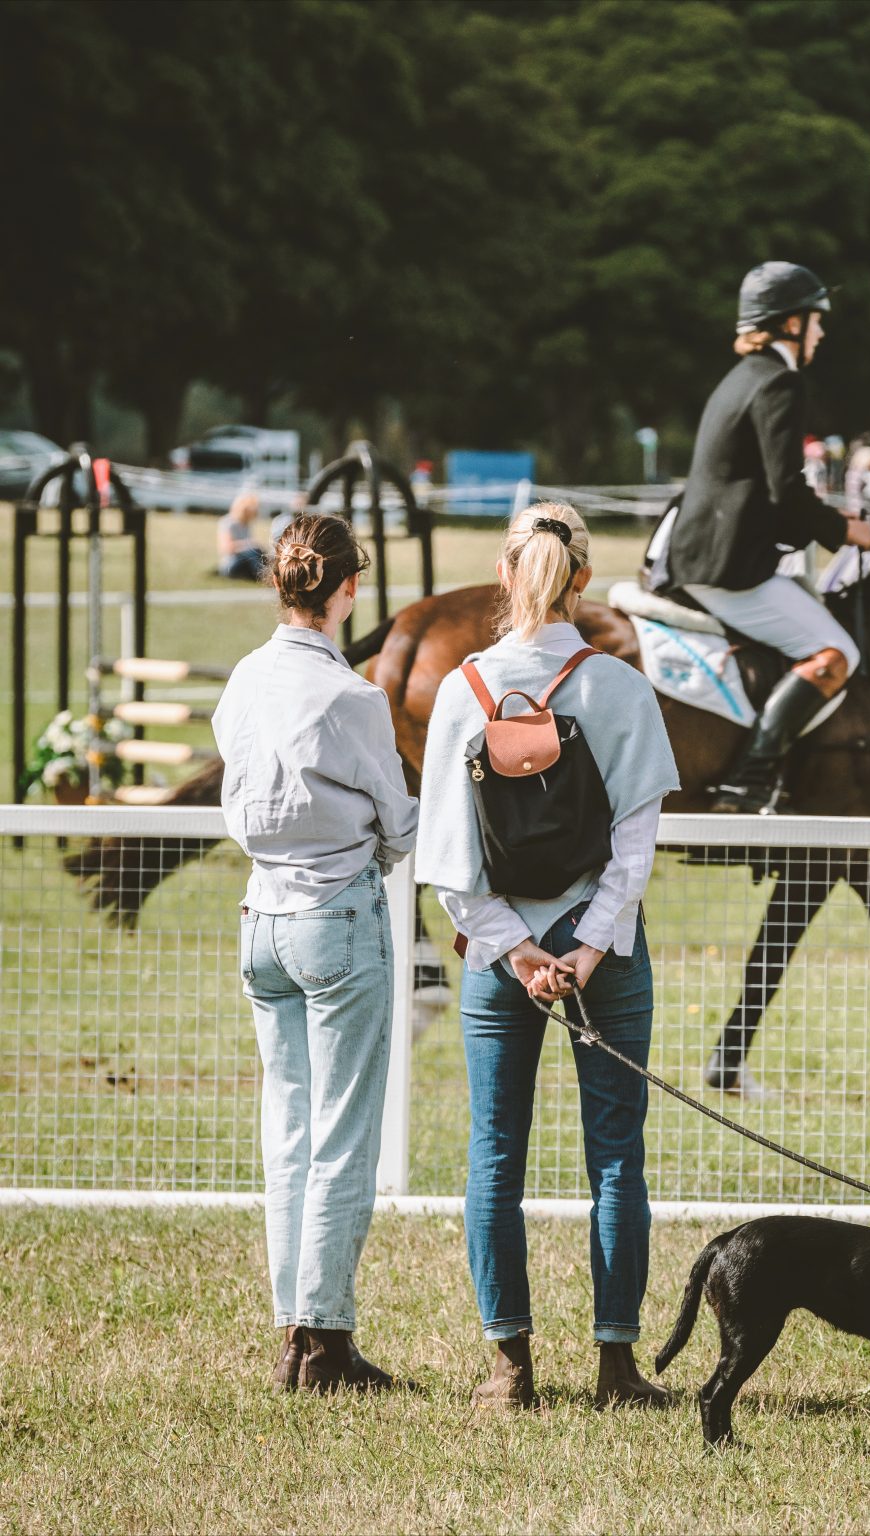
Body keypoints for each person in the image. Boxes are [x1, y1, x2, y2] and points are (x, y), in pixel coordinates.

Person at [416, 501, 680, 1412]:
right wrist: (589, 947)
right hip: (604, 948)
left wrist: (517, 949)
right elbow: (634, 850)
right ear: (582, 579)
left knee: (495, 1156)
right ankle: (616, 1367)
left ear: (504, 573)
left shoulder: (461, 690)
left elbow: (447, 862)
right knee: (616, 1159)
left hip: (500, 956)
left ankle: (509, 1369)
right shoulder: (619, 686)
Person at [212, 514, 419, 1394]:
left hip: (261, 912)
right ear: (348, 590)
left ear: (280, 581)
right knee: (340, 1135)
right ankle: (325, 1340)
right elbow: (398, 822)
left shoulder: (243, 678)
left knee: (287, 1131)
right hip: (335, 912)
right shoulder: (353, 698)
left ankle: (290, 1333)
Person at [664, 261, 870, 814]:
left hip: (703, 554)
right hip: (727, 567)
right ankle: (749, 781)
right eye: (816, 320)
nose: (821, 333)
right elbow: (786, 488)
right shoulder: (781, 381)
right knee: (836, 652)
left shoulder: (740, 377)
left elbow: (763, 489)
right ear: (790, 324)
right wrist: (844, 529)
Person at [217, 491, 265, 580]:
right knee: (252, 553)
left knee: (257, 553)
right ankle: (261, 575)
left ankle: (261, 573)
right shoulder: (228, 522)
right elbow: (226, 548)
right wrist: (248, 544)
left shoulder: (246, 524)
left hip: (245, 561)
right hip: (230, 564)